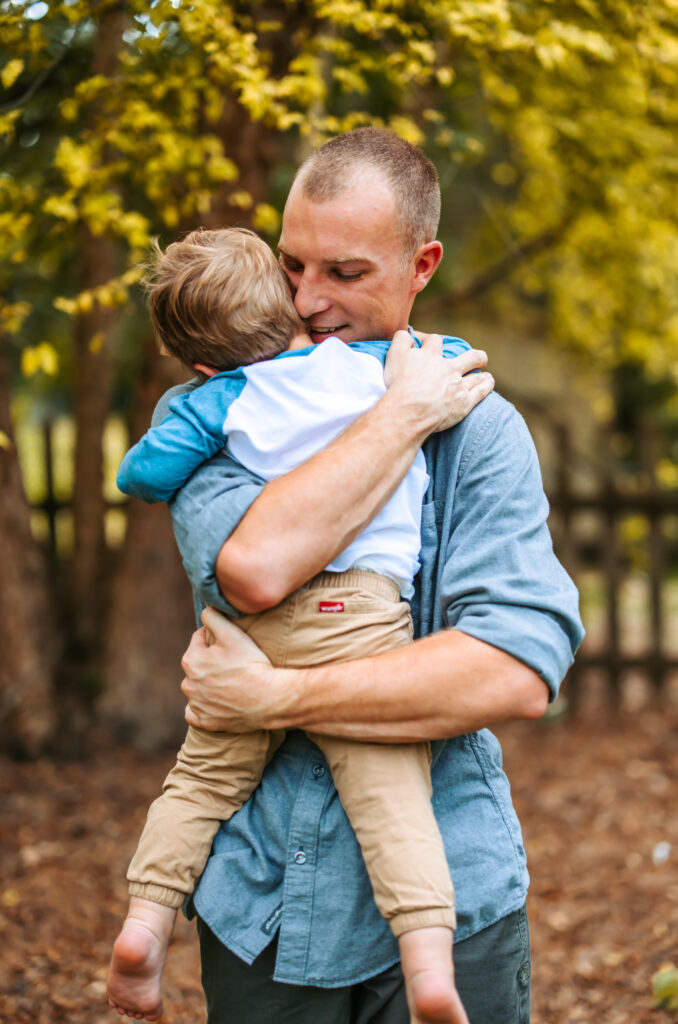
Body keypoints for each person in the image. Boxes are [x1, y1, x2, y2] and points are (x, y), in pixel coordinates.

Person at [142, 128, 584, 1023]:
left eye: (344, 273)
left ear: (420, 264)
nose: (306, 302)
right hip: (260, 895)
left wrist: (267, 699)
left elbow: (512, 669)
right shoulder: (210, 406)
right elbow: (257, 569)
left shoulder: (478, 425)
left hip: (451, 898)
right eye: (291, 263)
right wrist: (398, 418)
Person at [107, 226, 494, 1023]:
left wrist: (193, 412)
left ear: (200, 362)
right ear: (290, 309)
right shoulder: (363, 364)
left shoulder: (212, 400)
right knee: (392, 795)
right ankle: (426, 967)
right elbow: (446, 351)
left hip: (256, 631)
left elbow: (139, 475)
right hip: (356, 614)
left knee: (203, 778)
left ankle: (145, 925)